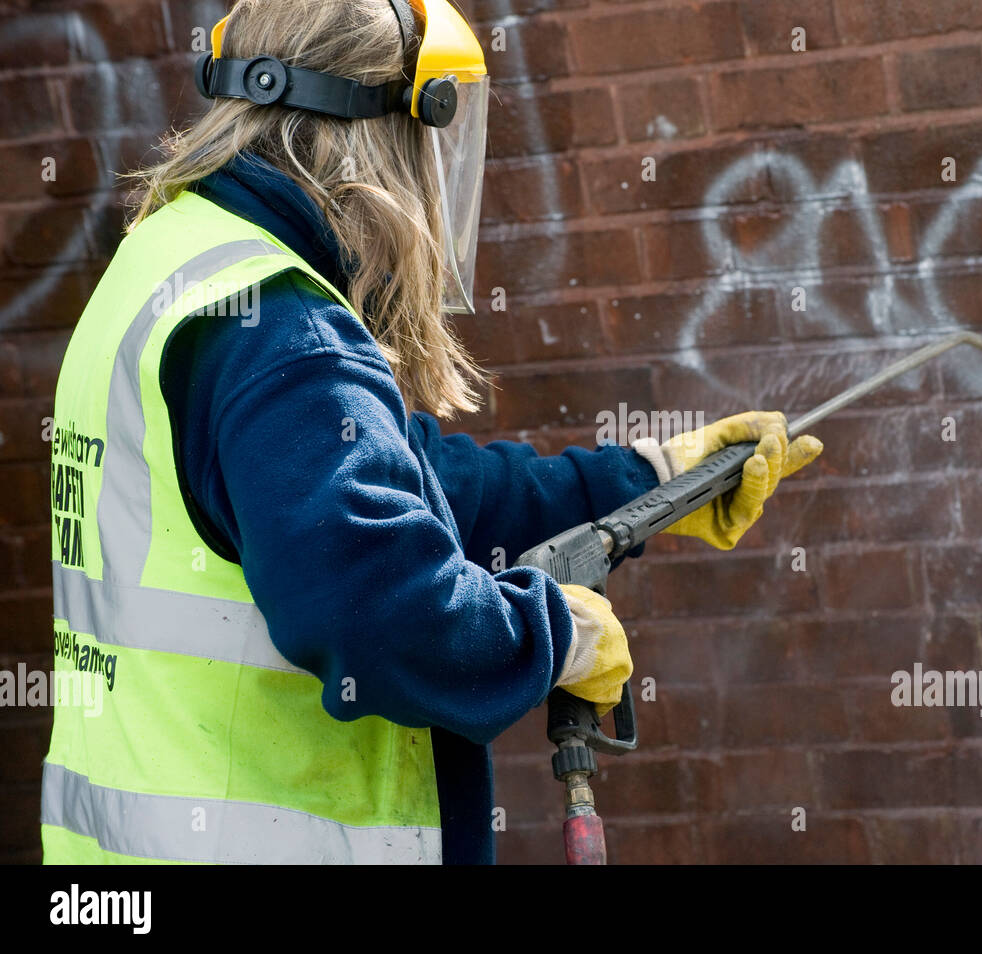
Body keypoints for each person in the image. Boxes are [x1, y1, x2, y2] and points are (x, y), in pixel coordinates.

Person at [42, 0, 822, 864]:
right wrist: (555, 638)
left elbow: (404, 485)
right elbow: (377, 610)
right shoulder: (284, 333)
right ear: (378, 136)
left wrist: (647, 475)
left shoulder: (171, 265)